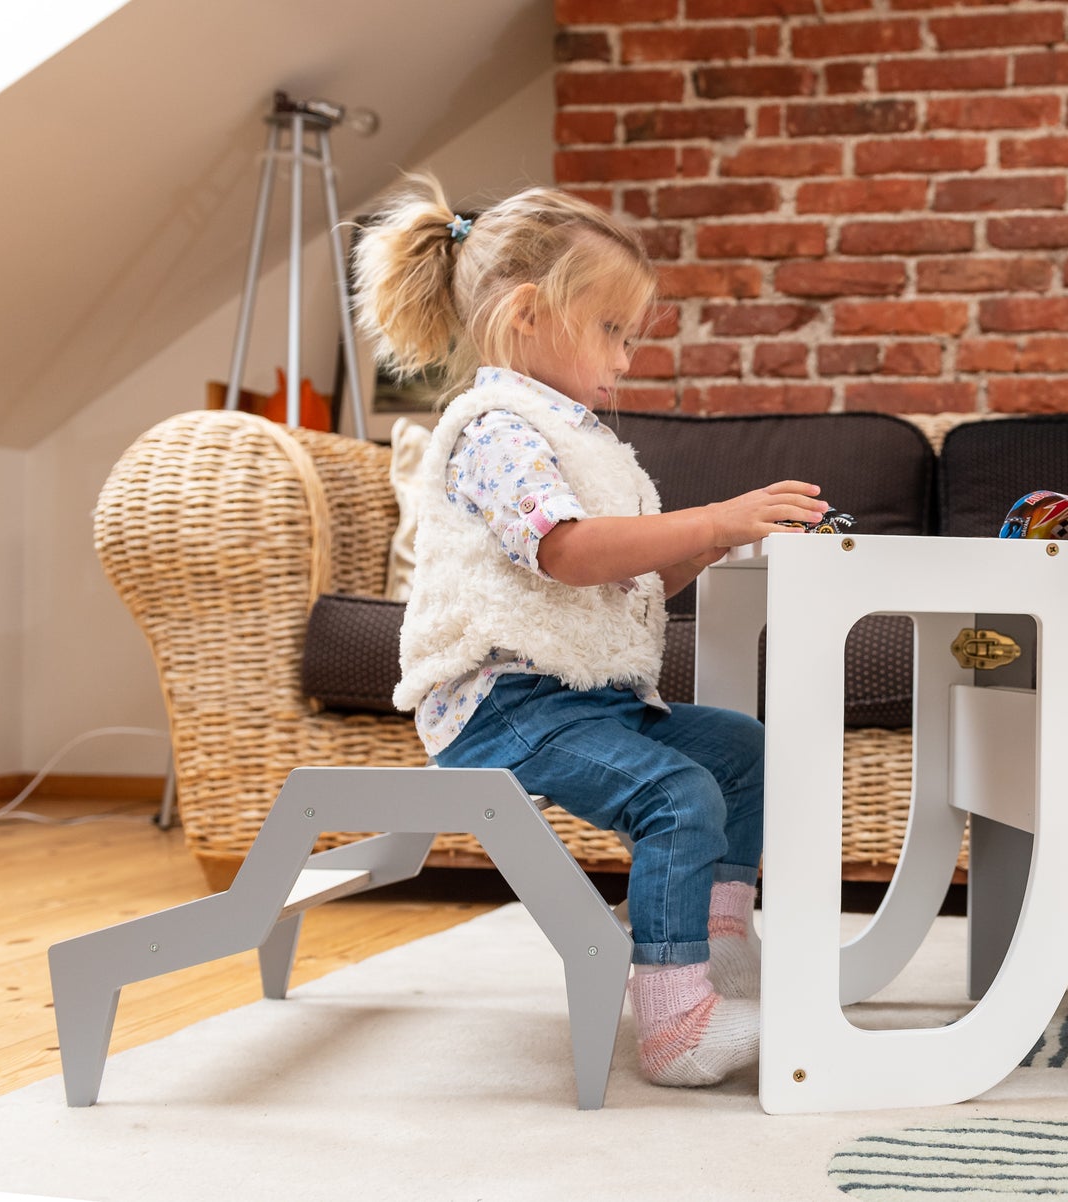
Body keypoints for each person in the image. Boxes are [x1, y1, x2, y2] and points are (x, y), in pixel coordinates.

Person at [354, 175, 828, 1086]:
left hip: (582, 697)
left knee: (744, 751)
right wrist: (711, 518)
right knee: (679, 794)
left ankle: (717, 946)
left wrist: (714, 544)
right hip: (503, 702)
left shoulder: (588, 442)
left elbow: (630, 577)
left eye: (630, 336)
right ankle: (675, 1026)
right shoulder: (496, 429)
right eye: (611, 330)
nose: (625, 357)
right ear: (529, 313)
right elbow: (566, 552)